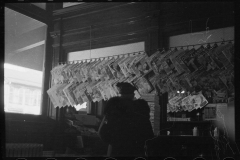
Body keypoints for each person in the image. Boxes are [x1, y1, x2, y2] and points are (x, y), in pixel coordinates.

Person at [98, 82, 154, 157]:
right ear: (132, 94)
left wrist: (114, 143)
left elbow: (102, 133)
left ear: (121, 94)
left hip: (117, 151)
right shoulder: (140, 109)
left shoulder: (112, 108)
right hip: (136, 151)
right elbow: (148, 134)